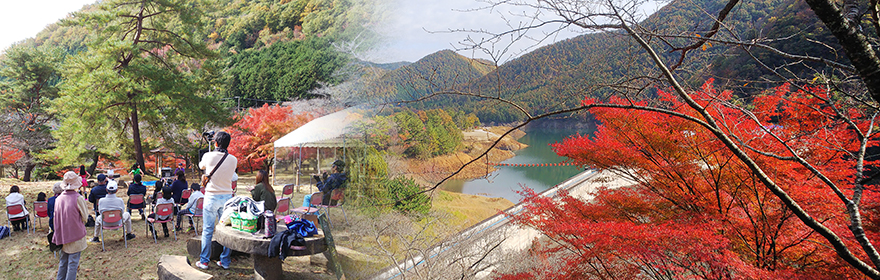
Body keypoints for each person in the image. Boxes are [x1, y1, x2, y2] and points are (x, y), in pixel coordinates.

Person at [196, 131, 238, 270]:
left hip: (211, 196)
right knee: (227, 230)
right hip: (227, 197)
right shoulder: (233, 159)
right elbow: (232, 175)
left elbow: (201, 166)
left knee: (208, 230)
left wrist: (210, 151)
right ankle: (225, 261)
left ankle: (204, 261)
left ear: (215, 143)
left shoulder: (208, 156)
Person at [53, 171, 89, 280]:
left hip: (61, 234)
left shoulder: (58, 199)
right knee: (73, 263)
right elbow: (85, 217)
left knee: (63, 262)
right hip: (75, 235)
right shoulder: (78, 198)